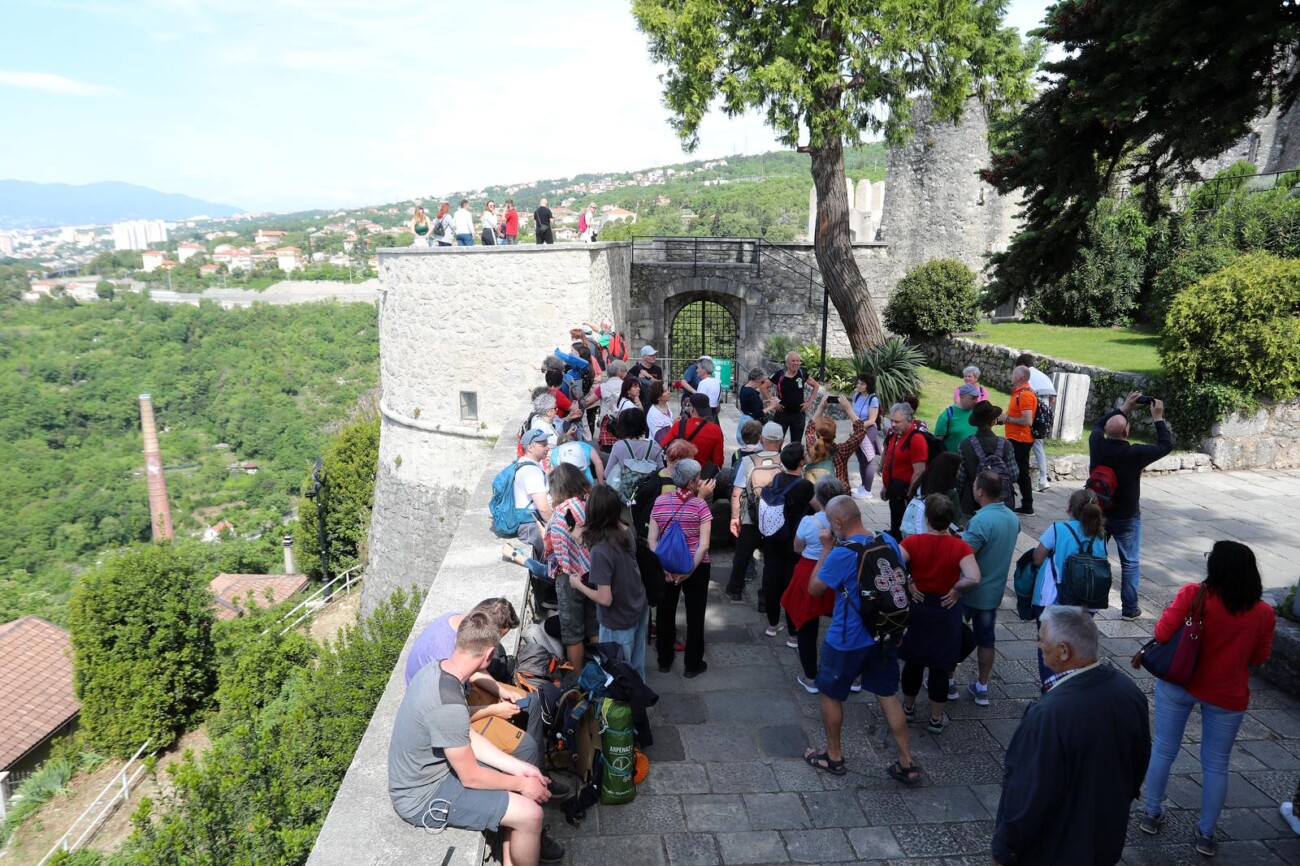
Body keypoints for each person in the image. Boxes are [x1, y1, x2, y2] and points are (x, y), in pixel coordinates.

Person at [389, 612, 563, 866]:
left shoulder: (439, 670)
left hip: (434, 771)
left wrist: (519, 768)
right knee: (531, 815)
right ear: (489, 655)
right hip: (423, 795)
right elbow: (470, 776)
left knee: (517, 782)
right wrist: (523, 784)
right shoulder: (448, 703)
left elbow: (465, 735)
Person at [1139, 540, 1276, 857]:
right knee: (1216, 764)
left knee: (1163, 748)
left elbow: (1161, 634)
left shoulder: (1194, 595)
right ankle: (1206, 833)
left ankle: (1151, 813)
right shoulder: (1263, 613)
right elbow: (1259, 658)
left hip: (1180, 683)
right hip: (1227, 694)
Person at [992, 606, 1150, 866]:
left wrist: (1004, 850)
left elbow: (1029, 793)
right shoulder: (1129, 691)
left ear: (1064, 651)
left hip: (1056, 848)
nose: (1038, 644)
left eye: (1042, 639)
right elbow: (1139, 760)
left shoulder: (1048, 714)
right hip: (1106, 838)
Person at [805, 496, 919, 783]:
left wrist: (826, 549)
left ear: (838, 523)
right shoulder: (887, 541)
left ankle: (833, 756)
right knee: (887, 695)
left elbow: (815, 589)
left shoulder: (843, 554)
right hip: (883, 634)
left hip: (847, 639)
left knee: (831, 694)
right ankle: (906, 761)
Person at [898, 495, 980, 734]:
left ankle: (908, 708)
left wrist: (909, 581)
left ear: (927, 518)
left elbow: (892, 564)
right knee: (940, 665)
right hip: (946, 609)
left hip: (919, 607)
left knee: (913, 660)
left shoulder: (912, 542)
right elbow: (974, 577)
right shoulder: (960, 546)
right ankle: (936, 718)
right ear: (950, 519)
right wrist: (956, 589)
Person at [1089, 390, 1173, 620]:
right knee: (1130, 562)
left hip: (1098, 511)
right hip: (1126, 516)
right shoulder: (1135, 452)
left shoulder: (1096, 444)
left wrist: (1124, 408)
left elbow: (1098, 425)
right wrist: (1158, 417)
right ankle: (1129, 608)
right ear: (1127, 432)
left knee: (1094, 556)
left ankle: (1090, 602)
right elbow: (1166, 445)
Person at [569, 484, 650, 680]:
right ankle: (640, 698)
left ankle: (627, 700)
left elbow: (605, 598)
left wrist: (578, 585)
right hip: (637, 606)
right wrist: (582, 536)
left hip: (618, 619)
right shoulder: (625, 529)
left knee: (618, 675)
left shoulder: (600, 550)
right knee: (636, 668)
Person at [1030, 488, 1106, 687]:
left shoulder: (1057, 529)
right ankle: (1073, 688)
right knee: (1075, 649)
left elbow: (1037, 558)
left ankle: (1051, 691)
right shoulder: (1099, 535)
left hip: (1054, 600)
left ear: (1070, 507)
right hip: (1087, 603)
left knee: (1049, 647)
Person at [958, 471, 1020, 705]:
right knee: (986, 640)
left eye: (975, 485)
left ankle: (948, 681)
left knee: (955, 635)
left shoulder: (981, 521)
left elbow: (966, 556)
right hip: (993, 593)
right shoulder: (1012, 518)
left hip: (968, 591)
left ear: (980, 491)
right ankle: (982, 686)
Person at [648, 458, 713, 677]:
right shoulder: (700, 506)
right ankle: (692, 665)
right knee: (696, 614)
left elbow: (652, 539)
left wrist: (662, 568)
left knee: (665, 613)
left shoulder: (660, 501)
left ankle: (664, 659)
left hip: (666, 565)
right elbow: (704, 545)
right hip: (696, 566)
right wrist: (689, 571)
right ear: (692, 482)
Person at [781, 477, 845, 692]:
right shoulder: (846, 520)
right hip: (838, 571)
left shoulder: (809, 522)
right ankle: (851, 675)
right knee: (845, 620)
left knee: (807, 626)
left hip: (810, 571)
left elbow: (797, 548)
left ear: (819, 497)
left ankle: (810, 677)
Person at [544, 464, 597, 672]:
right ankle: (604, 670)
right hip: (595, 572)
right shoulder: (591, 504)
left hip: (570, 578)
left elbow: (559, 556)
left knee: (572, 633)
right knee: (595, 626)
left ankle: (577, 678)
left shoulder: (560, 515)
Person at [759, 443, 815, 639]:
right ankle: (793, 634)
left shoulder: (776, 479)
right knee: (792, 587)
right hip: (794, 542)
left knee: (772, 583)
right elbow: (818, 508)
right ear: (801, 462)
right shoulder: (805, 486)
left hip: (773, 538)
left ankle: (772, 625)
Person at [725, 422, 784, 603]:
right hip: (776, 518)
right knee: (771, 559)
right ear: (782, 441)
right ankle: (766, 596)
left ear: (761, 439)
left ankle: (735, 589)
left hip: (751, 516)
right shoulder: (784, 461)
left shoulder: (748, 461)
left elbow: (736, 492)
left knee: (742, 554)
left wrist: (735, 518)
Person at [956, 400, 1018, 516]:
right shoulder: (1006, 445)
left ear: (976, 423)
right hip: (1001, 506)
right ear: (993, 421)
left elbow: (960, 479)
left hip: (971, 506)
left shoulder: (964, 445)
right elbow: (1014, 475)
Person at [880, 402, 929, 540]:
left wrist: (909, 496)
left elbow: (919, 471)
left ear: (910, 421)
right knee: (895, 526)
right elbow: (890, 461)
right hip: (894, 491)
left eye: (897, 422)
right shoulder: (896, 435)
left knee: (902, 530)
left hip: (904, 495)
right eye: (892, 421)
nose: (893, 425)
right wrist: (885, 486)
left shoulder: (916, 439)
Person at [801, 393, 867, 491]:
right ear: (834, 435)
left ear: (817, 434)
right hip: (837, 495)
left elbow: (809, 429)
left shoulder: (812, 447)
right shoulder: (842, 451)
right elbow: (861, 430)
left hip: (816, 495)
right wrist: (848, 409)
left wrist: (821, 407)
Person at [999, 366, 1038, 515]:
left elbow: (1027, 420)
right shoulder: (1019, 392)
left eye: (1013, 373)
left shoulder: (1025, 395)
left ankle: (1027, 506)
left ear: (1019, 377)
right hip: (1016, 438)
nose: (1011, 375)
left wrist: (1007, 418)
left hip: (1021, 439)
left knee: (1020, 473)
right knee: (1020, 472)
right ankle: (1025, 504)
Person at [900, 451, 963, 537]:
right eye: (958, 469)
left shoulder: (920, 484)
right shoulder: (951, 494)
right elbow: (954, 522)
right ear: (951, 470)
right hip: (935, 537)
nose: (959, 472)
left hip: (910, 530)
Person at [1017, 353, 1057, 491]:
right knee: (1038, 446)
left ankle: (1021, 476)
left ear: (1022, 365)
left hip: (1031, 414)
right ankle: (1043, 478)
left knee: (1022, 444)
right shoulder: (1043, 376)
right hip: (1043, 416)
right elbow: (1053, 399)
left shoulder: (1026, 376)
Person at [659, 393, 725, 471]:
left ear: (693, 409)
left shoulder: (679, 425)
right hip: (702, 475)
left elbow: (663, 447)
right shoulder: (716, 430)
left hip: (680, 474)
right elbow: (718, 461)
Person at [513, 429, 552, 559]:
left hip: (527, 523)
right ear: (530, 448)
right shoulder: (531, 471)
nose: (547, 448)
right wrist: (559, 527)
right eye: (543, 445)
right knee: (551, 561)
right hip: (532, 525)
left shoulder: (521, 463)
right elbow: (543, 508)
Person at [603, 407, 664, 485]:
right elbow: (662, 471)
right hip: (649, 490)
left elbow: (607, 474)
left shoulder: (619, 446)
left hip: (625, 490)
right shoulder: (654, 446)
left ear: (622, 426)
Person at [771, 351, 819, 444]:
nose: (796, 363)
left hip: (798, 414)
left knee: (796, 444)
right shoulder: (780, 374)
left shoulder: (802, 374)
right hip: (782, 414)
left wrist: (809, 402)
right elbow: (763, 386)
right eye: (793, 361)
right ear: (787, 363)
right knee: (776, 441)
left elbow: (816, 385)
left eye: (797, 361)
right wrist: (772, 402)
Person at [850, 373, 882, 499]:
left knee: (868, 460)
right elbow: (852, 414)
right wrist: (852, 428)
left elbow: (872, 420)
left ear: (868, 385)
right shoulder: (856, 396)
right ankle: (863, 486)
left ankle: (867, 490)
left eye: (862, 384)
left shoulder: (873, 399)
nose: (859, 386)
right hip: (857, 431)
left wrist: (858, 426)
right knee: (860, 459)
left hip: (868, 431)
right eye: (858, 383)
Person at [935, 383, 980, 453]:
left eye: (977, 398)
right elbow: (937, 442)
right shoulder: (947, 415)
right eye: (973, 398)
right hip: (951, 458)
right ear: (962, 396)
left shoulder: (977, 413)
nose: (976, 401)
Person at [736, 367, 776, 444]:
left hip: (744, 418)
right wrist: (771, 406)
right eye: (762, 381)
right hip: (751, 422)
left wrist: (765, 401)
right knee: (753, 445)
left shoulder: (744, 387)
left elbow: (750, 403)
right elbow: (758, 413)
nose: (763, 384)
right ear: (758, 380)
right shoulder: (752, 393)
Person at [678, 356, 721, 421]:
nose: (697, 370)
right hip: (714, 417)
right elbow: (718, 405)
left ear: (704, 370)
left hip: (703, 418)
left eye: (698, 368)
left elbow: (699, 404)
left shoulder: (703, 383)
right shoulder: (717, 382)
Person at [644, 380, 675, 444]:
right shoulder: (653, 415)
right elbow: (659, 438)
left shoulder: (666, 404)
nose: (669, 392)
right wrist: (673, 425)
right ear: (658, 397)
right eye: (665, 391)